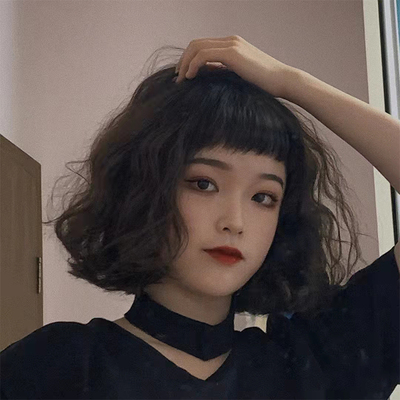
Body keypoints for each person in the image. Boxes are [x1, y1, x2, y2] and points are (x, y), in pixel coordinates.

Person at [1, 35, 399, 399]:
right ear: (145, 189)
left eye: (263, 197)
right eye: (204, 184)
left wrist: (290, 82)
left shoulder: (312, 364)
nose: (234, 221)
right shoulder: (57, 366)